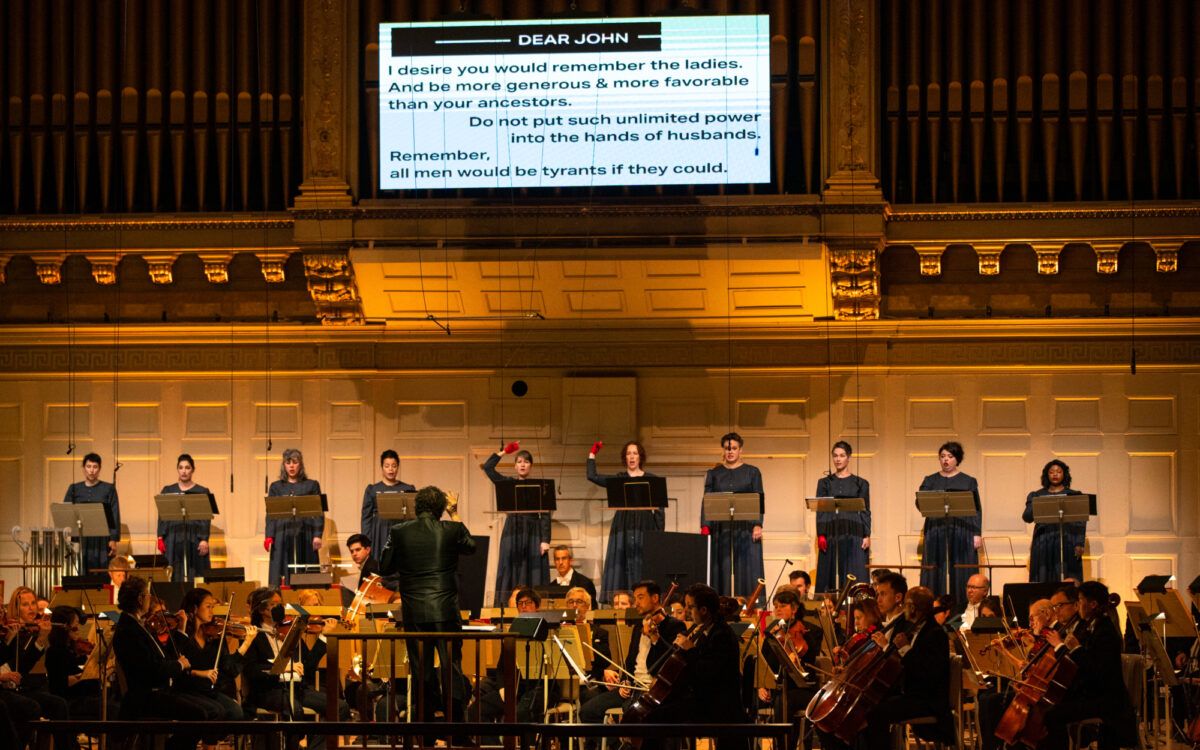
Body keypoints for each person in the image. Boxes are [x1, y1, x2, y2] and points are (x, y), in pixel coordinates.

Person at [380, 485, 476, 726]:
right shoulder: (451, 529)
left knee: (421, 671)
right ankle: (457, 730)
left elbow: (384, 567)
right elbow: (470, 546)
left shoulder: (399, 531)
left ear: (416, 506)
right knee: (451, 669)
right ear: (440, 509)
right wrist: (455, 513)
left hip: (414, 612)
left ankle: (426, 731)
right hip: (445, 610)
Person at [816, 585, 953, 750]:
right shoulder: (913, 629)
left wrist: (902, 649)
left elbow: (926, 674)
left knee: (873, 713)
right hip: (909, 694)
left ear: (913, 608)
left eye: (906, 605)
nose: (903, 609)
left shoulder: (935, 633)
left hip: (925, 700)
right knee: (868, 709)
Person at [111, 575, 219, 750]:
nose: (149, 599)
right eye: (147, 595)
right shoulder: (129, 630)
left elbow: (163, 657)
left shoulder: (137, 624)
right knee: (199, 714)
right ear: (140, 599)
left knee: (207, 711)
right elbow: (151, 669)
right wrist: (180, 665)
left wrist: (181, 631)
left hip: (156, 692)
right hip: (145, 696)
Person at [635, 583, 747, 747]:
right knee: (654, 713)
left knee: (654, 717)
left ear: (703, 610)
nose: (686, 610)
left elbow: (708, 673)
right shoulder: (706, 630)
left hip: (717, 705)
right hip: (704, 699)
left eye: (690, 606)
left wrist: (690, 650)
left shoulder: (721, 634)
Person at [242, 586, 349, 749]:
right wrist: (282, 667)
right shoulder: (253, 635)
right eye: (274, 604)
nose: (280, 608)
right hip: (269, 691)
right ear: (263, 609)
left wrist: (324, 636)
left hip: (297, 688)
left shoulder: (290, 630)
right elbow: (252, 671)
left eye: (281, 603)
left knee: (339, 707)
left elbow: (309, 666)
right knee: (295, 709)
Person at [578, 580, 686, 741]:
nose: (636, 603)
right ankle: (615, 745)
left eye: (640, 597)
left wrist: (655, 637)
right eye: (635, 598)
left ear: (655, 598)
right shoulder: (638, 627)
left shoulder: (674, 626)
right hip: (632, 687)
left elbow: (670, 663)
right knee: (587, 711)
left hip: (653, 690)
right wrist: (625, 681)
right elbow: (630, 662)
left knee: (631, 712)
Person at [1040, 581, 1138, 749]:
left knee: (1051, 715)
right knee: (1047, 708)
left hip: (1105, 699)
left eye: (1080, 600)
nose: (1078, 605)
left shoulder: (1105, 631)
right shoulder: (1088, 626)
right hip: (1091, 693)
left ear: (1092, 604)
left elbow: (1094, 671)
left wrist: (1068, 647)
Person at [586, 440, 664, 596]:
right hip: (623, 524)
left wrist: (658, 535)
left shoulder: (652, 479)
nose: (632, 456)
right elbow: (592, 476)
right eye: (628, 453)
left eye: (635, 453)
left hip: (645, 524)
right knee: (622, 562)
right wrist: (592, 454)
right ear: (625, 458)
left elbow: (660, 511)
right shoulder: (619, 479)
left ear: (640, 457)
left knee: (643, 562)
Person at [2, 587, 74, 750]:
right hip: (17, 688)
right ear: (16, 608)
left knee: (59, 704)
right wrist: (39, 640)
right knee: (33, 706)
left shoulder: (36, 628)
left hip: (36, 686)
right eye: (25, 605)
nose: (32, 608)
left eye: (33, 603)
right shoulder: (13, 631)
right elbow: (17, 667)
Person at [174, 587, 258, 724]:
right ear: (195, 608)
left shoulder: (214, 635)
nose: (212, 612)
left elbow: (230, 668)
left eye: (213, 607)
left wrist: (246, 643)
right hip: (188, 690)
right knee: (217, 711)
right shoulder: (182, 635)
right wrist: (200, 673)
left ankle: (210, 743)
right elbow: (177, 669)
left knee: (235, 712)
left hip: (208, 690)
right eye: (208, 607)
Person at [483, 441, 551, 605]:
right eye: (519, 461)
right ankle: (506, 607)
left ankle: (532, 606)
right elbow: (488, 468)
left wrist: (545, 539)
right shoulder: (508, 483)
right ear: (515, 466)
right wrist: (503, 452)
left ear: (531, 466)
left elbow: (546, 513)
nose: (522, 465)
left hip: (533, 532)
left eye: (526, 462)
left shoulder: (540, 486)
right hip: (512, 530)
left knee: (532, 570)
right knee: (509, 567)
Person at [703, 432, 765, 601]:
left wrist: (758, 524)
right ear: (723, 450)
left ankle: (749, 606)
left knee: (747, 566)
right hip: (721, 527)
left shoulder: (752, 472)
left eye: (734, 448)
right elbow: (707, 500)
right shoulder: (714, 473)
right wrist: (705, 525)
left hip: (745, 526)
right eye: (727, 448)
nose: (730, 452)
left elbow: (759, 497)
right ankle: (720, 605)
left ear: (740, 450)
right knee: (721, 566)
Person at [759, 586, 823, 749]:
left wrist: (795, 656)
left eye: (782, 606)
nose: (778, 609)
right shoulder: (773, 633)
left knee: (784, 700)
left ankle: (785, 746)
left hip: (804, 689)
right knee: (761, 698)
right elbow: (764, 663)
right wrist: (761, 685)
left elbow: (810, 660)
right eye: (776, 606)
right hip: (778, 687)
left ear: (794, 609)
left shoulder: (810, 631)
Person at [917, 441, 982, 600]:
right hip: (936, 527)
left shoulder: (968, 481)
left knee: (961, 567)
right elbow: (920, 502)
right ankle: (933, 605)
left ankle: (961, 607)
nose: (946, 460)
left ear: (957, 459)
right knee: (934, 567)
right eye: (943, 456)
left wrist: (976, 533)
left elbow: (976, 508)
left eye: (950, 456)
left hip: (961, 528)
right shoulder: (930, 480)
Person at [814, 441, 871, 593]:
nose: (838, 459)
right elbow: (821, 509)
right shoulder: (824, 483)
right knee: (830, 570)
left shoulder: (861, 483)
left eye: (842, 455)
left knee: (854, 569)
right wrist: (821, 534)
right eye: (835, 456)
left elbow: (866, 510)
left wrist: (867, 534)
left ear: (848, 457)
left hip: (854, 529)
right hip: (832, 528)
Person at [264, 448, 324, 586]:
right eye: (288, 462)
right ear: (284, 465)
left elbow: (318, 512)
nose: (291, 466)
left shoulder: (311, 485)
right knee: (281, 570)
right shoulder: (276, 487)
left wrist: (317, 534)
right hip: (282, 533)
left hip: (305, 531)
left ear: (300, 464)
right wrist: (269, 536)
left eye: (295, 462)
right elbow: (270, 513)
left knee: (306, 568)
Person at [1024, 459, 1086, 582]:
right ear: (1047, 475)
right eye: (1051, 472)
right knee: (1043, 575)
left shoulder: (1073, 495)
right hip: (1043, 540)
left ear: (1064, 474)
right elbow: (1027, 517)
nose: (1055, 474)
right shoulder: (1036, 495)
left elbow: (1081, 520)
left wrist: (1079, 543)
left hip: (1067, 539)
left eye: (1059, 471)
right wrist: (1034, 504)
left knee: (1066, 573)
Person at [155, 453, 212, 582]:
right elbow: (162, 515)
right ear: (177, 469)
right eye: (181, 468)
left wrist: (204, 539)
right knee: (173, 572)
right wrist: (160, 536)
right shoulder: (168, 490)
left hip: (194, 535)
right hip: (173, 535)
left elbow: (205, 517)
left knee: (194, 573)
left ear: (193, 470)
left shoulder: (202, 491)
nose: (184, 471)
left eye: (187, 468)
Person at [63, 452, 121, 575]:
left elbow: (114, 513)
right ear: (84, 468)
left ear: (99, 469)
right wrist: (67, 535)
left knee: (101, 572)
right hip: (80, 537)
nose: (91, 470)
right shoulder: (74, 488)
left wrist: (113, 539)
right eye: (89, 466)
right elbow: (66, 512)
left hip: (101, 537)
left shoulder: (108, 489)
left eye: (95, 467)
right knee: (80, 571)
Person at [360, 449, 416, 567]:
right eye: (387, 466)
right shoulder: (372, 489)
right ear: (382, 467)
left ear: (398, 467)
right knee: (380, 565)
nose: (391, 469)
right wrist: (366, 541)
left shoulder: (408, 488)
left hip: (400, 531)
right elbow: (366, 517)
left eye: (394, 466)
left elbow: (412, 516)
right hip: (379, 531)